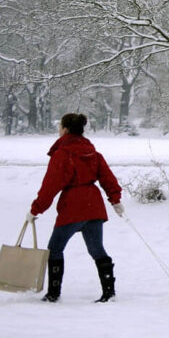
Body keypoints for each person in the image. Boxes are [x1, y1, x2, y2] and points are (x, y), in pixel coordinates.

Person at [28, 112, 123, 303]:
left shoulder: (62, 154)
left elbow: (51, 185)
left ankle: (53, 294)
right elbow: (107, 178)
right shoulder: (93, 153)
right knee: (96, 249)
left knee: (55, 248)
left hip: (73, 206)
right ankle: (109, 291)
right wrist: (115, 200)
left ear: (65, 129)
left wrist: (36, 209)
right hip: (93, 206)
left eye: (59, 127)